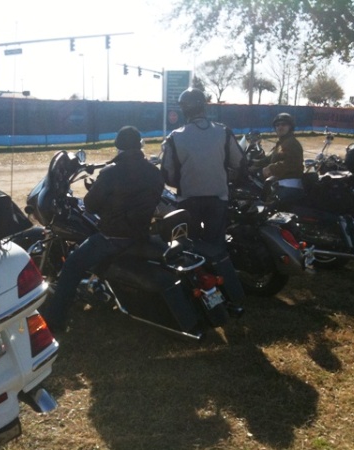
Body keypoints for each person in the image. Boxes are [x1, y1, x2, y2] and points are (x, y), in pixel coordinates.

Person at [43, 126, 164, 333]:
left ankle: (55, 320)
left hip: (113, 237)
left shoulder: (110, 173)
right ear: (140, 145)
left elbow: (90, 206)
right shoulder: (154, 172)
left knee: (72, 264)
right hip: (141, 233)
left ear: (118, 146)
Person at [160, 87, 245, 316]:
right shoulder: (223, 131)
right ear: (204, 106)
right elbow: (239, 162)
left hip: (188, 200)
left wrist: (185, 181)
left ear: (184, 110)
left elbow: (167, 174)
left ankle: (200, 297)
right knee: (217, 246)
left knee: (191, 248)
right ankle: (228, 295)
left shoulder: (175, 136)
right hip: (218, 197)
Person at [257, 112, 305, 205]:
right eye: (277, 125)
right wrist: (254, 163)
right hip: (281, 182)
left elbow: (291, 163)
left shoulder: (291, 143)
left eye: (283, 124)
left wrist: (270, 168)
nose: (280, 127)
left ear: (290, 127)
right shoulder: (282, 142)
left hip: (289, 185)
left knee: (266, 207)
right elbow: (271, 158)